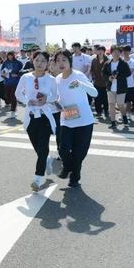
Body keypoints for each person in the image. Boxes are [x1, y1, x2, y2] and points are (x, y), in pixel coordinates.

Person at [54, 50, 97, 188]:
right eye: (58, 60)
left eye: (64, 60)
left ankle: (74, 177)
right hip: (67, 118)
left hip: (84, 120)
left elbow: (94, 93)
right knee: (63, 149)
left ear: (70, 62)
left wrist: (81, 84)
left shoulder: (78, 75)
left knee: (79, 152)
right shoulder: (57, 79)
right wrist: (57, 105)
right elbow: (57, 99)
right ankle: (67, 167)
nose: (61, 63)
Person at [15, 51, 58, 191]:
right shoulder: (25, 77)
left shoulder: (51, 79)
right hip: (30, 116)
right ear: (33, 61)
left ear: (47, 63)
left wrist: (47, 99)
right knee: (38, 148)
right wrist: (28, 101)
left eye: (43, 61)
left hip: (45, 115)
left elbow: (55, 96)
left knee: (43, 146)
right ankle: (46, 160)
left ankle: (37, 179)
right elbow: (18, 93)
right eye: (37, 60)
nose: (39, 63)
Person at [1, 51, 22, 119]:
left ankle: (13, 111)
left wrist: (17, 75)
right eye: (9, 55)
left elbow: (22, 71)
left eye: (11, 55)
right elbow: (2, 71)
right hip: (7, 81)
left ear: (13, 56)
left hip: (15, 82)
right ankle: (13, 105)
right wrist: (3, 74)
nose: (10, 57)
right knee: (7, 96)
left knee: (13, 96)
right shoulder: (5, 63)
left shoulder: (18, 63)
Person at [90, 46, 109, 119]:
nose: (100, 52)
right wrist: (93, 76)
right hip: (96, 82)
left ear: (104, 51)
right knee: (97, 97)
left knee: (105, 98)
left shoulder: (108, 60)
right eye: (99, 50)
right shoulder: (94, 60)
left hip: (105, 83)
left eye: (102, 50)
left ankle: (106, 111)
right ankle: (98, 112)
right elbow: (91, 70)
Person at [121, 46, 134, 118]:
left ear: (129, 52)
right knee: (122, 101)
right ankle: (123, 114)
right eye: (124, 51)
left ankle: (129, 113)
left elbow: (130, 72)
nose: (125, 53)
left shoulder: (133, 61)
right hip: (121, 84)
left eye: (127, 51)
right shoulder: (120, 61)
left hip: (130, 84)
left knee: (128, 100)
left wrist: (121, 74)